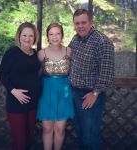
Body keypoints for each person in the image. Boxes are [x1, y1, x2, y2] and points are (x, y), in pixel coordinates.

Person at [68, 9, 114, 150]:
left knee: (90, 136)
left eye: (83, 22)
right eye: (77, 23)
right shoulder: (75, 39)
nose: (80, 26)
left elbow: (107, 73)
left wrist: (95, 93)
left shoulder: (102, 41)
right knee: (80, 132)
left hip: (91, 96)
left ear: (91, 22)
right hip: (75, 94)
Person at [0, 22, 42, 150]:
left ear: (35, 37)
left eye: (31, 36)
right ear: (19, 35)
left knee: (29, 140)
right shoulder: (12, 52)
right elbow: (2, 74)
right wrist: (14, 91)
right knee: (20, 143)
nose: (27, 39)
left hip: (33, 103)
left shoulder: (34, 53)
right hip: (16, 104)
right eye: (24, 35)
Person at [36, 23, 75, 150]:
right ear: (47, 36)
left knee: (60, 129)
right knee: (47, 129)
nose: (55, 36)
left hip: (63, 92)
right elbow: (37, 75)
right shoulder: (41, 53)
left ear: (62, 35)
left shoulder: (69, 51)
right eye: (51, 34)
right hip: (46, 92)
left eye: (58, 33)